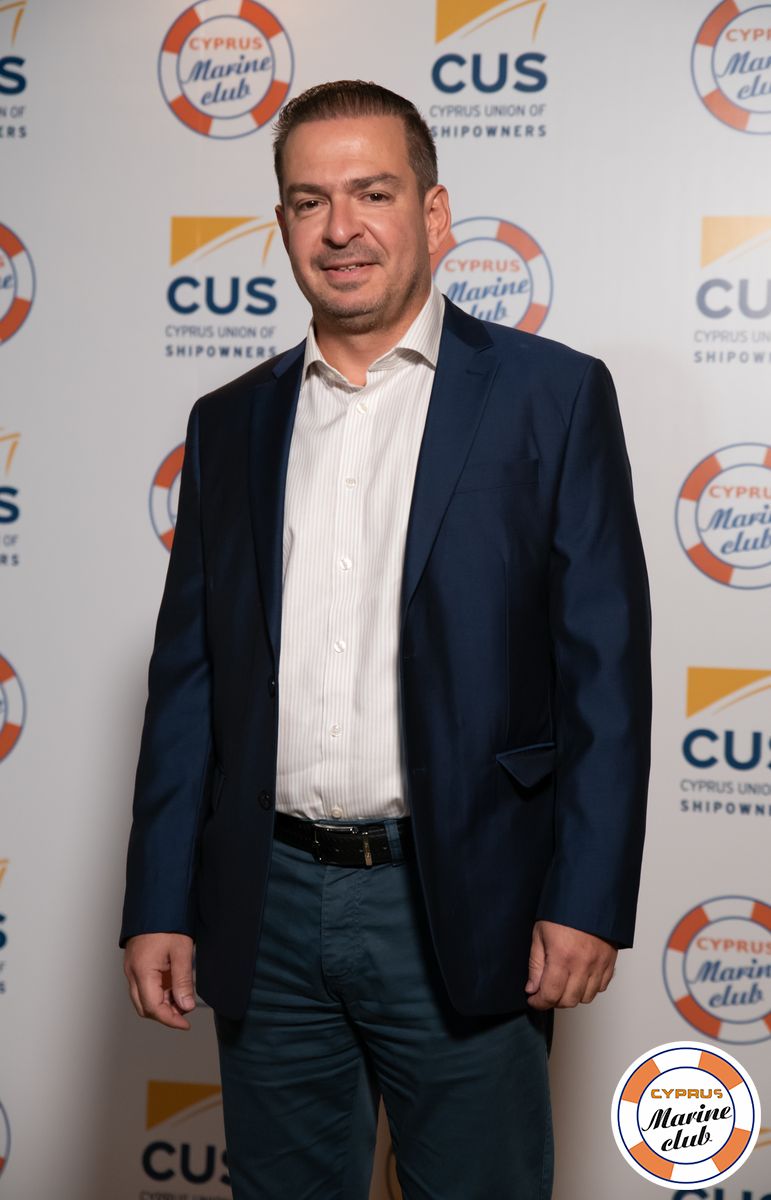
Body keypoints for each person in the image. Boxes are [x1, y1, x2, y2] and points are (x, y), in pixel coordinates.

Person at [121, 80, 651, 1199]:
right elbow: (189, 683)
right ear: (282, 226)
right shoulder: (229, 422)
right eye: (309, 201)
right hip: (266, 905)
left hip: (466, 899)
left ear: (434, 213)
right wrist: (161, 900)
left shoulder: (551, 397)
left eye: (372, 192)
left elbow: (604, 671)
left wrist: (588, 894)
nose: (341, 228)